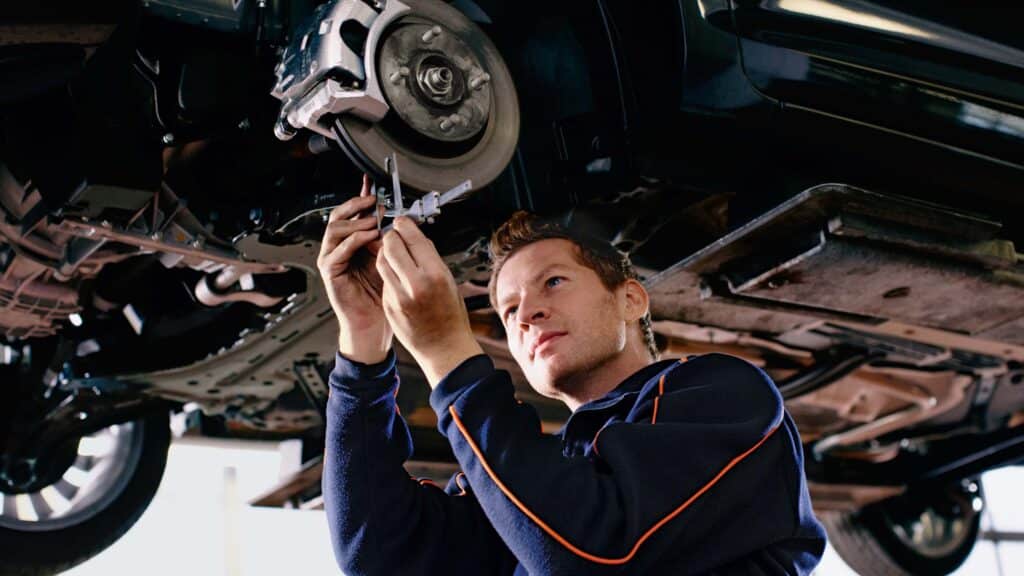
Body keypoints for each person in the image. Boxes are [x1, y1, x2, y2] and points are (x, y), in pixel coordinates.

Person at [316, 176, 827, 575]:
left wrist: (447, 354)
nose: (526, 314)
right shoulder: (544, 477)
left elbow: (593, 555)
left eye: (553, 282)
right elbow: (379, 552)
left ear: (630, 298)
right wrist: (363, 347)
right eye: (509, 308)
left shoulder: (725, 394)